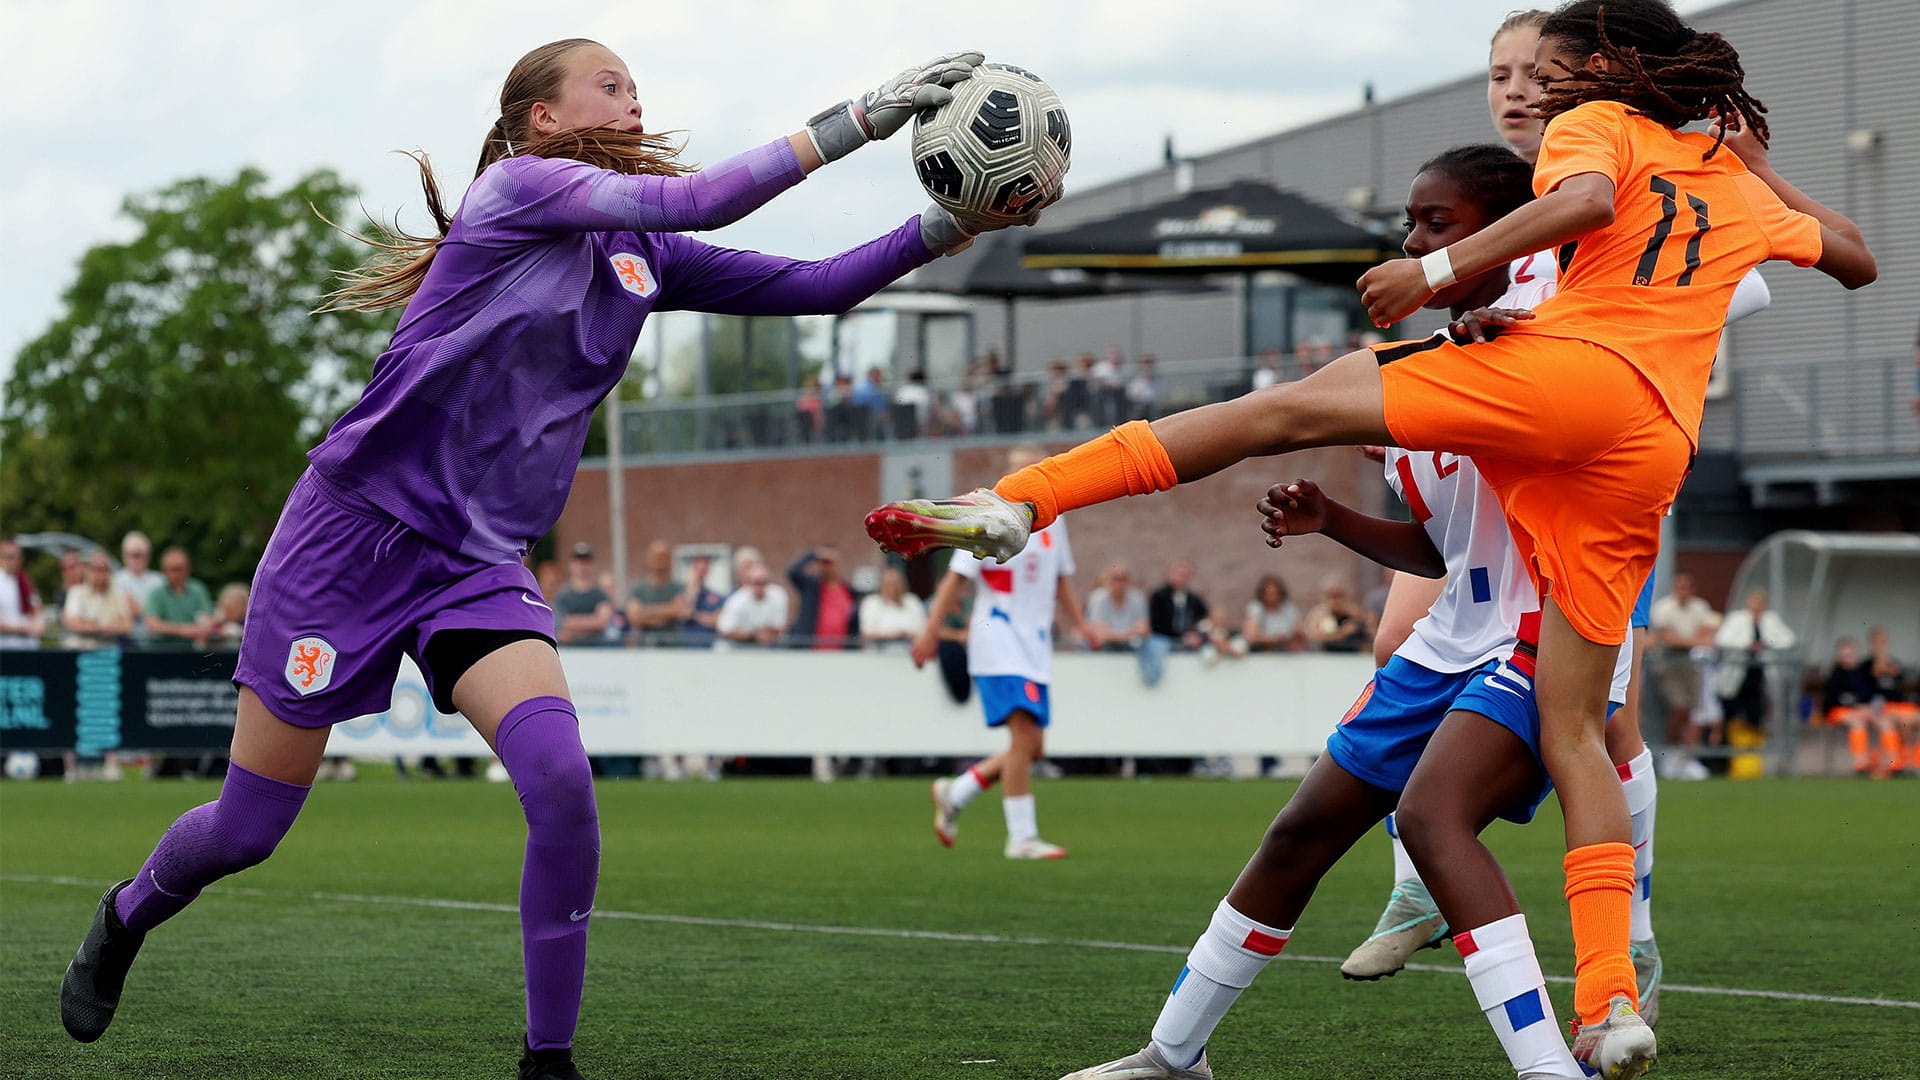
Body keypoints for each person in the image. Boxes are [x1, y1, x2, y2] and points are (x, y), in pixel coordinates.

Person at [868, 4, 1874, 1062]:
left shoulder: (1582, 176)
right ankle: (1581, 997)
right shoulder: (1686, 190)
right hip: (1614, 474)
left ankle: (1024, 499)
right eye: (1507, 72)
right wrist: (1757, 171)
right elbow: (1849, 259)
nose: (1529, 87)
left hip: (1552, 496)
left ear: (1600, 72)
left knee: (1290, 426)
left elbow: (1584, 212)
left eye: (1543, 69)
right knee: (1418, 784)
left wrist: (1441, 280)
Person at [56, 39, 1039, 1080]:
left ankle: (547, 1061)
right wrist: (864, 116)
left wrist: (953, 222)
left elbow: (820, 284)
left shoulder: (641, 253)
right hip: (346, 544)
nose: (633, 102)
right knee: (248, 830)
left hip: (475, 564)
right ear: (543, 121)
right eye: (609, 86)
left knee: (563, 783)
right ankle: (125, 916)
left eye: (637, 88)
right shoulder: (517, 192)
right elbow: (704, 197)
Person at [1048, 144, 1645, 1080]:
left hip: (1545, 636)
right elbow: (1445, 553)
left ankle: (1554, 1059)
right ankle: (1174, 1055)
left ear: (1505, 234)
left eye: (1437, 224)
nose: (1412, 242)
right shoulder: (1421, 371)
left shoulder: (1555, 342)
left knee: (1432, 818)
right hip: (1450, 641)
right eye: (1409, 224)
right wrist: (1333, 520)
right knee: (1300, 833)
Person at [914, 446, 1096, 860]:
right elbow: (955, 579)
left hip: (1035, 644)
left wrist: (1081, 624)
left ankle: (956, 793)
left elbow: (1061, 578)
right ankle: (1022, 837)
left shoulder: (1054, 519)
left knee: (1032, 747)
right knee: (1022, 739)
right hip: (997, 637)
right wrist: (929, 632)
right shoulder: (987, 516)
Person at [1647, 570, 1721, 779]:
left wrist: (1686, 640)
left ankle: (1686, 756)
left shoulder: (1700, 607)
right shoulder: (1663, 608)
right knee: (1678, 705)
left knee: (1693, 710)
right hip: (1668, 662)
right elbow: (1669, 639)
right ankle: (1670, 751)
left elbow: (1708, 632)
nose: (1684, 591)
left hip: (1690, 663)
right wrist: (1694, 640)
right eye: (1680, 586)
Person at [1713, 586, 1796, 749]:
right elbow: (1722, 639)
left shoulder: (1770, 620)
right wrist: (1747, 645)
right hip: (1737, 674)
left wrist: (1765, 644)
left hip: (1759, 675)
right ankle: (1728, 749)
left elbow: (1788, 640)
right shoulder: (1737, 619)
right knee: (1731, 711)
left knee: (1756, 712)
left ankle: (1752, 750)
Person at [1820, 637, 1888, 776]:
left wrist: (1870, 708)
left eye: (1850, 654)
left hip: (1862, 711)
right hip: (1837, 712)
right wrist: (1857, 707)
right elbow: (1835, 700)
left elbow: (1871, 695)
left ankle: (1891, 764)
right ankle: (1861, 764)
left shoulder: (1862, 673)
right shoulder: (1835, 674)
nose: (1847, 658)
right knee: (1857, 722)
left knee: (1885, 722)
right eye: (1844, 655)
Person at [1863, 626, 1919, 775]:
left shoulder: (1894, 664)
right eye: (1876, 642)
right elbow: (1865, 692)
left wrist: (1891, 669)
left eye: (1882, 641)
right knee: (1893, 723)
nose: (1879, 645)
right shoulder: (1865, 666)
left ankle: (1913, 762)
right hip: (1881, 708)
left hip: (1899, 707)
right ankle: (1896, 763)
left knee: (1908, 720)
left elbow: (1900, 686)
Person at [786, 545, 860, 650]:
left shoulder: (849, 591)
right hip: (810, 649)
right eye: (822, 562)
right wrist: (814, 554)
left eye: (829, 562)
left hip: (840, 652)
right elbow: (792, 572)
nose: (826, 566)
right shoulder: (810, 586)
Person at [143, 547, 218, 650]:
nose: (176, 574)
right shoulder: (156, 594)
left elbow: (206, 620)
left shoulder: (198, 590)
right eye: (171, 569)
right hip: (162, 650)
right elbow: (152, 623)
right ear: (164, 571)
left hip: (192, 650)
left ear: (187, 569)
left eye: (179, 569)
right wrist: (184, 630)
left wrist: (199, 629)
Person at [62, 551, 135, 650]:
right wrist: (104, 627)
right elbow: (72, 623)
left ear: (109, 572)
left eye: (104, 569)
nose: (100, 574)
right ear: (88, 570)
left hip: (110, 648)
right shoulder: (76, 592)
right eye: (95, 569)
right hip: (80, 648)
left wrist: (91, 625)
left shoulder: (118, 594)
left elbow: (128, 625)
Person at [552, 543, 616, 646]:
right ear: (571, 564)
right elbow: (560, 623)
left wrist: (573, 624)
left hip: (596, 649)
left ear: (593, 564)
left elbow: (602, 622)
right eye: (578, 561)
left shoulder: (601, 595)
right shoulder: (562, 595)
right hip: (570, 650)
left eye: (586, 561)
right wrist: (592, 621)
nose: (582, 565)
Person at [625, 540, 687, 646]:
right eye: (657, 556)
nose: (660, 560)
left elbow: (680, 610)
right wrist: (667, 612)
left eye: (664, 556)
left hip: (673, 647)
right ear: (649, 558)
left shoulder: (679, 587)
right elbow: (635, 617)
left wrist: (647, 611)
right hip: (646, 646)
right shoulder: (638, 589)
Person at [715, 562, 789, 648]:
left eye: (763, 582)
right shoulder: (737, 600)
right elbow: (724, 630)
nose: (760, 587)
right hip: (736, 648)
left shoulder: (778, 595)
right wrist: (753, 635)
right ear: (748, 583)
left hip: (766, 648)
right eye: (756, 583)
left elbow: (780, 628)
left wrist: (765, 633)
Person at [857, 567, 927, 649]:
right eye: (888, 583)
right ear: (881, 585)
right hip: (877, 652)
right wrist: (896, 635)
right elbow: (866, 632)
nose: (892, 587)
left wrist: (902, 634)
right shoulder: (871, 602)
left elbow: (923, 630)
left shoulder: (912, 601)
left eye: (896, 583)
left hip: (909, 651)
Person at [111, 531, 162, 642]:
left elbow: (163, 614)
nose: (136, 559)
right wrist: (149, 610)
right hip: (125, 640)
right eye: (133, 555)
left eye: (140, 555)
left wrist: (139, 609)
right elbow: (118, 613)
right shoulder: (114, 580)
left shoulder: (159, 580)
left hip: (156, 641)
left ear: (148, 556)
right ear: (124, 556)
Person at [1303, 575, 1374, 654]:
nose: (1336, 601)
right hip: (1327, 655)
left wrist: (1362, 619)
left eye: (1339, 596)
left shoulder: (1355, 612)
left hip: (1353, 655)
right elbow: (1313, 637)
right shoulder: (1319, 614)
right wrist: (1341, 633)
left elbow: (1371, 634)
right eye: (1332, 596)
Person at [1086, 563, 1148, 652]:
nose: (1120, 583)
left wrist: (1113, 634)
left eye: (1124, 579)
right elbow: (1100, 632)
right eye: (1116, 579)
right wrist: (1129, 634)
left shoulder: (1137, 597)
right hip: (1106, 647)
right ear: (1108, 580)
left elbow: (1143, 629)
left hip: (1132, 646)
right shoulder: (1098, 598)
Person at [1241, 574, 1304, 653]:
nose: (1272, 596)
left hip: (1286, 652)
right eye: (1268, 593)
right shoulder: (1256, 608)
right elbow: (1251, 635)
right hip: (1261, 652)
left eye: (1275, 593)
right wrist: (1274, 639)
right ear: (1262, 594)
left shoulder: (1289, 609)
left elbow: (1300, 631)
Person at [0, 537, 45, 649]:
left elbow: (36, 606)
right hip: (5, 646)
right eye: (10, 557)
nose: (15, 561)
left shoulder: (25, 581)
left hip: (28, 645)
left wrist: (38, 623)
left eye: (18, 556)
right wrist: (21, 629)